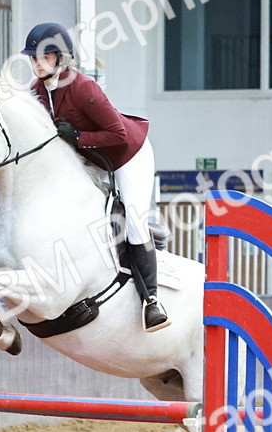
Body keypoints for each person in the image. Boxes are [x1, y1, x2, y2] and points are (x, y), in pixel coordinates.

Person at [20, 21, 169, 333]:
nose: (35, 64)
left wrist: (77, 138)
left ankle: (151, 301)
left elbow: (116, 133)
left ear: (60, 58)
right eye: (32, 59)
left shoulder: (83, 87)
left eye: (42, 58)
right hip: (90, 157)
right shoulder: (35, 92)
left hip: (127, 155)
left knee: (134, 223)